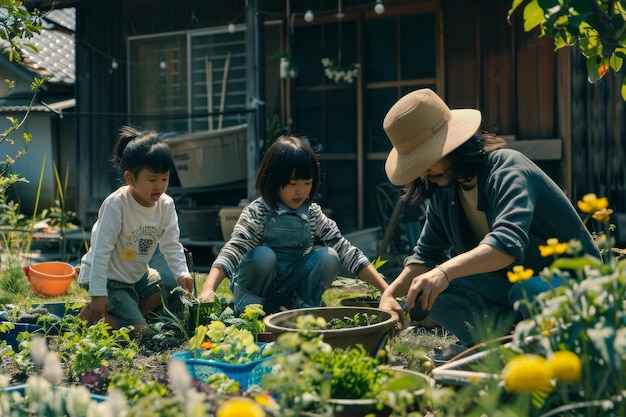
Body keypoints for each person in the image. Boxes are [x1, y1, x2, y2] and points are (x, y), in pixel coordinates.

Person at [378, 88, 600, 360]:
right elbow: (425, 255)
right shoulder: (444, 190)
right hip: (510, 286)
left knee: (526, 289)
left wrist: (443, 273)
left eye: (427, 160)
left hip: (570, 284)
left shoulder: (507, 169)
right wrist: (390, 294)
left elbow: (506, 245)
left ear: (452, 146)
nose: (424, 173)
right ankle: (497, 350)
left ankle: (554, 352)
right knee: (429, 294)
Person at [197, 135, 388, 314]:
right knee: (264, 256)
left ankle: (303, 313)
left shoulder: (312, 214)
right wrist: (208, 289)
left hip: (291, 291)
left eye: (307, 183)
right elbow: (233, 250)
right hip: (257, 292)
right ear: (273, 179)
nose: (301, 191)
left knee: (329, 256)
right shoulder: (258, 212)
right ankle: (249, 315)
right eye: (292, 183)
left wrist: (386, 291)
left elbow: (346, 250)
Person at [77, 126, 194, 332]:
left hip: (135, 275)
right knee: (141, 334)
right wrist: (98, 293)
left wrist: (182, 273)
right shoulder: (117, 205)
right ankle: (92, 316)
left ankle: (127, 318)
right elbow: (101, 251)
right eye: (152, 180)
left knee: (164, 285)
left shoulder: (166, 205)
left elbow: (171, 244)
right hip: (109, 279)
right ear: (130, 178)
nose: (159, 186)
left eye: (164, 179)